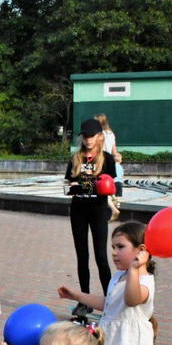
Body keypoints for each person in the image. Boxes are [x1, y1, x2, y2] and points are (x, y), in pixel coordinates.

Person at [58, 221, 155, 345]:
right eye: (113, 247)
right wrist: (77, 295)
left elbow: (132, 300)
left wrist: (134, 270)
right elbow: (108, 304)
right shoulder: (117, 277)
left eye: (120, 247)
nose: (114, 252)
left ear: (141, 250)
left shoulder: (145, 281)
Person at [65, 119, 117, 313]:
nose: (88, 140)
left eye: (91, 136)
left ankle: (109, 300)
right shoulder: (76, 158)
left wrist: (100, 188)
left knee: (101, 257)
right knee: (82, 256)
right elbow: (69, 184)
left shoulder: (107, 159)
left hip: (98, 210)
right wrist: (78, 187)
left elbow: (112, 186)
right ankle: (84, 301)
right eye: (85, 136)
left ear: (100, 137)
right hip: (79, 210)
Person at [94, 114, 122, 221]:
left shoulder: (99, 134)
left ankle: (113, 208)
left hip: (101, 160)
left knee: (100, 186)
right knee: (107, 185)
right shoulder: (111, 133)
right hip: (109, 160)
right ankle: (114, 199)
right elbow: (114, 151)